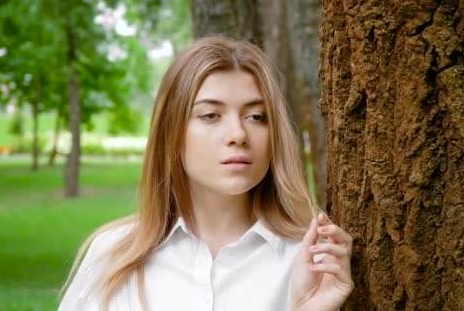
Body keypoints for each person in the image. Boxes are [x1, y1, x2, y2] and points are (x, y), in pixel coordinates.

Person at [59, 36, 353, 311]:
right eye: (210, 115)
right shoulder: (111, 255)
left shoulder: (313, 261)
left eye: (256, 117)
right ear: (171, 131)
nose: (238, 134)